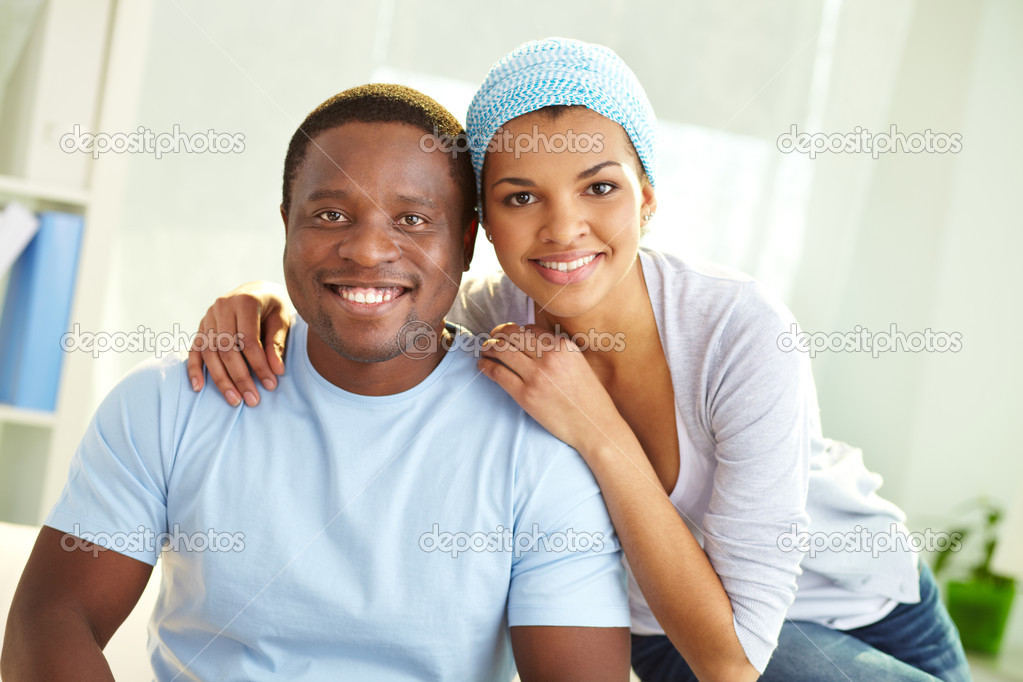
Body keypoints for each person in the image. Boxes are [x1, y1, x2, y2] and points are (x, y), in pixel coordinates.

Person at [186, 40, 971, 681]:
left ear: (647, 196)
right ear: (480, 225)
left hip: (861, 598)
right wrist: (262, 299)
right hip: (682, 639)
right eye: (520, 197)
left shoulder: (741, 328)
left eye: (598, 187)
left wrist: (599, 432)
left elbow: (734, 656)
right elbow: (374, 300)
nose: (564, 229)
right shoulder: (491, 314)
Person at [1, 84, 634, 682]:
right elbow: (51, 620)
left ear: (467, 242)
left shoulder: (539, 439)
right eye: (331, 214)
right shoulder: (168, 401)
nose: (365, 250)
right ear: (286, 224)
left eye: (413, 220)